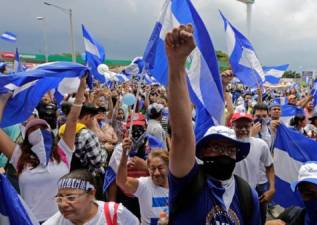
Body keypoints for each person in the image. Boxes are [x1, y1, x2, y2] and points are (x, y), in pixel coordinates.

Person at [166, 24, 261, 224]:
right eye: (217, 147)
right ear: (203, 151)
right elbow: (182, 136)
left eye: (230, 148)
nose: (224, 153)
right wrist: (177, 65)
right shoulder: (189, 182)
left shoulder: (247, 195)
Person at [0, 75, 86, 223]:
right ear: (27, 137)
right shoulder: (19, 156)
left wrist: (81, 88)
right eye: (33, 129)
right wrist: (3, 100)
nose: (39, 132)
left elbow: (72, 120)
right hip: (29, 221)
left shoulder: (63, 151)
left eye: (42, 128)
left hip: (63, 220)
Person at [43, 169, 139, 225]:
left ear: (91, 194)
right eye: (59, 198)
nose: (63, 204)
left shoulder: (115, 213)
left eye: (71, 197)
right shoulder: (56, 222)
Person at [231, 112, 275, 224]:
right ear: (232, 126)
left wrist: (271, 188)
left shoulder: (261, 144)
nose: (243, 130)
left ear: (251, 126)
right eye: (239, 127)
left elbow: (269, 166)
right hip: (231, 196)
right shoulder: (227, 144)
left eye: (246, 126)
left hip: (253, 194)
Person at [116, 149, 169, 225]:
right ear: (148, 168)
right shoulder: (144, 185)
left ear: (168, 167)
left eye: (160, 168)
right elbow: (121, 181)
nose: (156, 173)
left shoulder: (177, 186)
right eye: (153, 169)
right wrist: (125, 153)